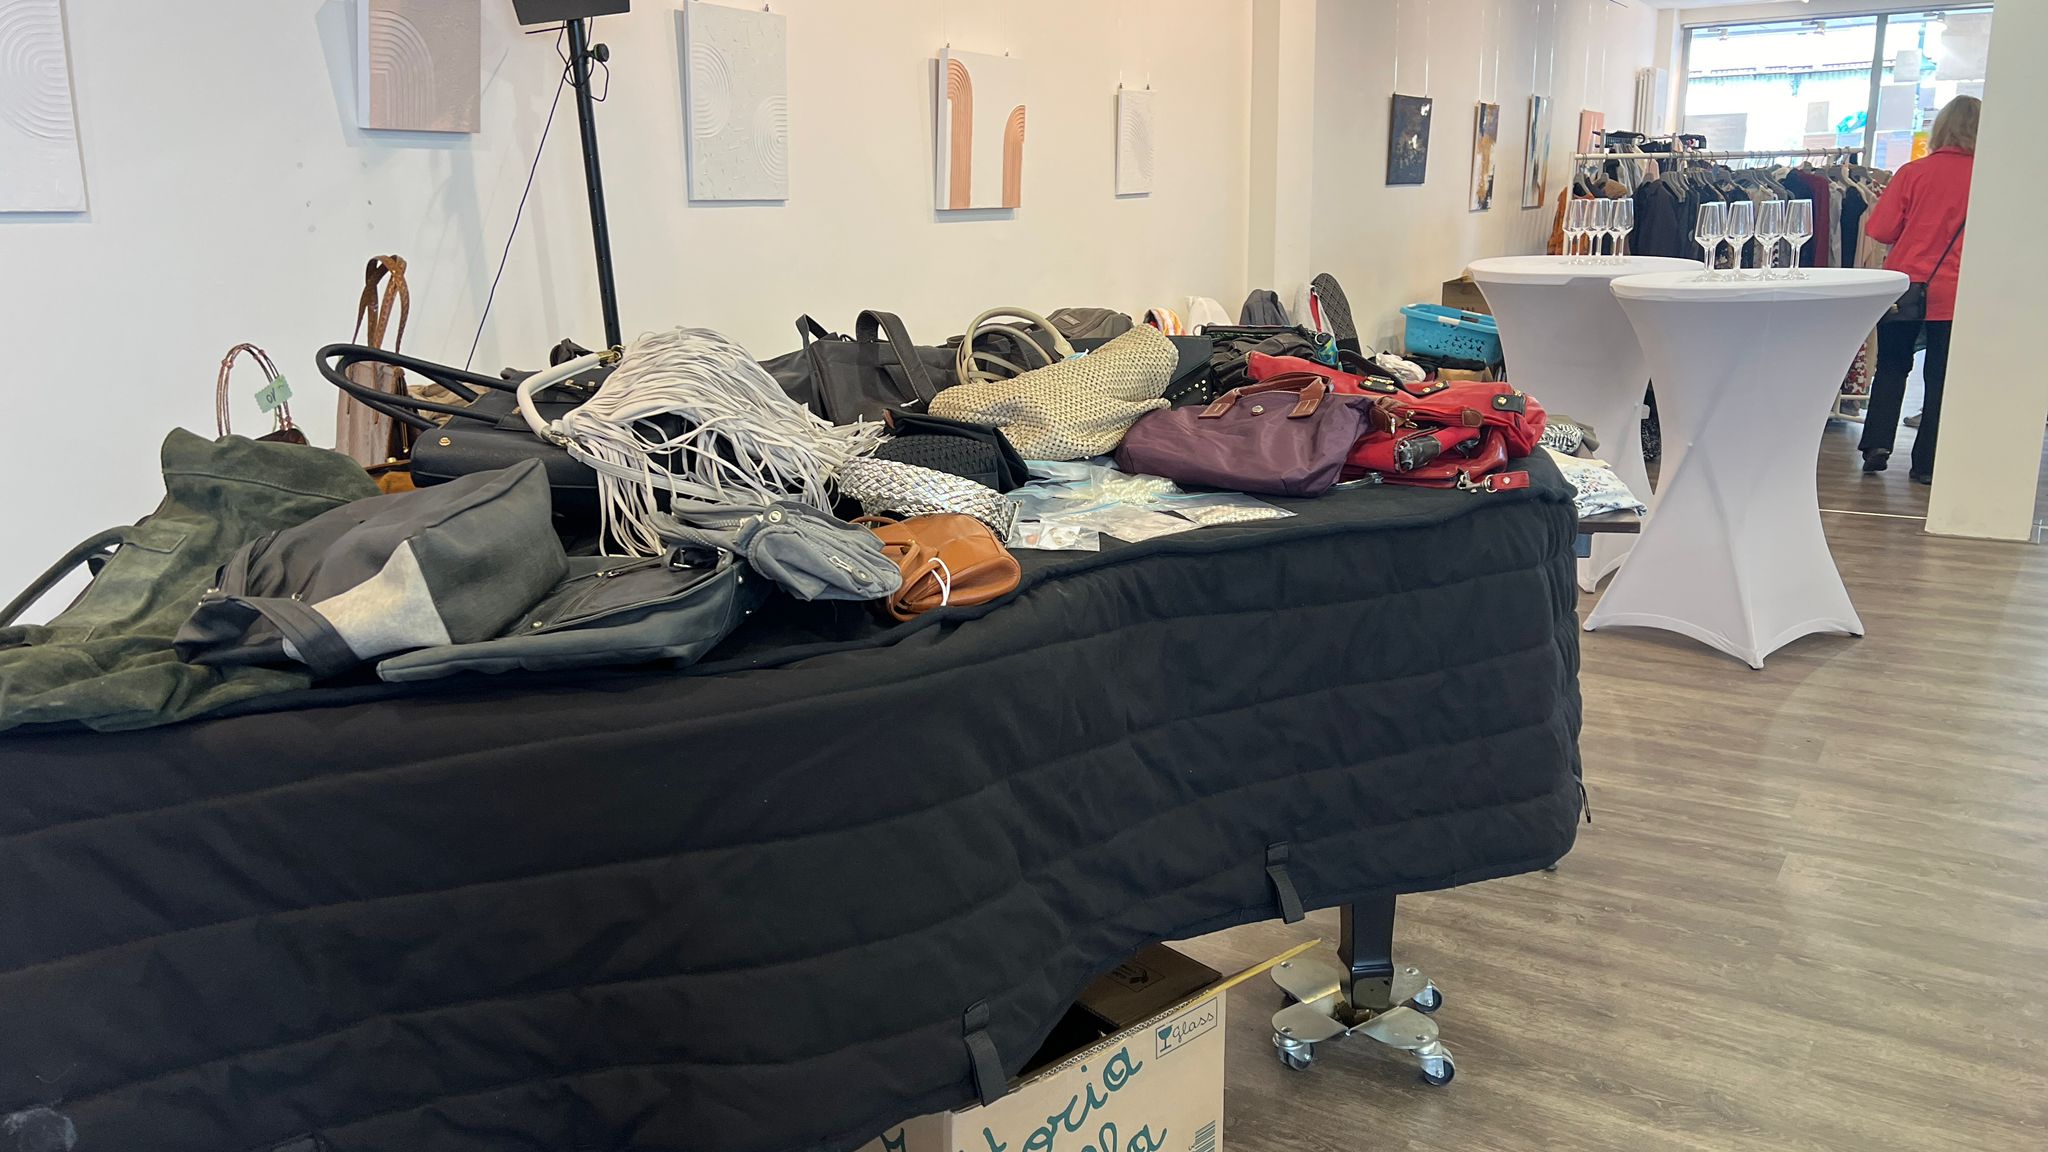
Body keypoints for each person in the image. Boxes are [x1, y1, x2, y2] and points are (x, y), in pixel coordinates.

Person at [1860, 96, 1978, 483]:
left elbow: (1880, 229)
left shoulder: (1913, 173)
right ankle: (1926, 463)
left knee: (1892, 365)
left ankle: (1877, 444)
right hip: (1959, 290)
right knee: (1940, 377)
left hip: (1905, 286)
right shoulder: (1987, 178)